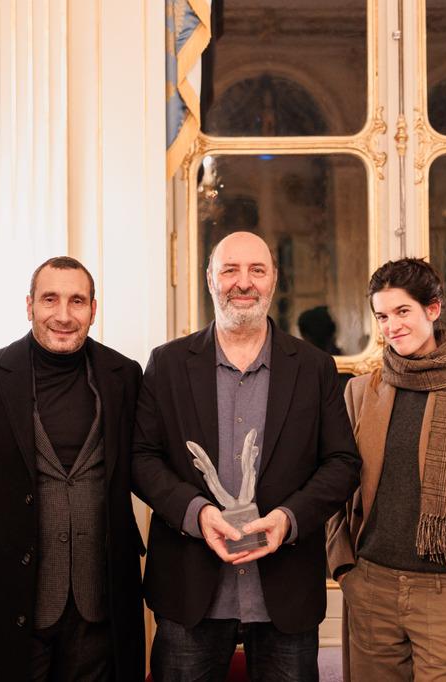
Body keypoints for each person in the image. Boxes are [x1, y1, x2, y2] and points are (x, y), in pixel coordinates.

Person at [132, 231, 360, 681]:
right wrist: (196, 513)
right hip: (189, 590)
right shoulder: (167, 363)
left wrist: (288, 520)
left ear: (274, 279)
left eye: (257, 270)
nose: (243, 282)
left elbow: (342, 463)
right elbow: (141, 458)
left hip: (286, 592)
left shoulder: (314, 367)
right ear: (210, 279)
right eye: (230, 270)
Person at [327, 258, 446, 682]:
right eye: (382, 316)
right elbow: (335, 489)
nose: (391, 326)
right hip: (371, 589)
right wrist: (344, 569)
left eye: (403, 311)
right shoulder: (360, 391)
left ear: (432, 309)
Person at [0, 256, 145, 681]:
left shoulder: (124, 375)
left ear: (93, 310)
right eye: (49, 299)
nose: (63, 315)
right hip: (9, 595)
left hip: (100, 601)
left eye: (76, 301)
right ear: (29, 306)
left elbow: (146, 461)